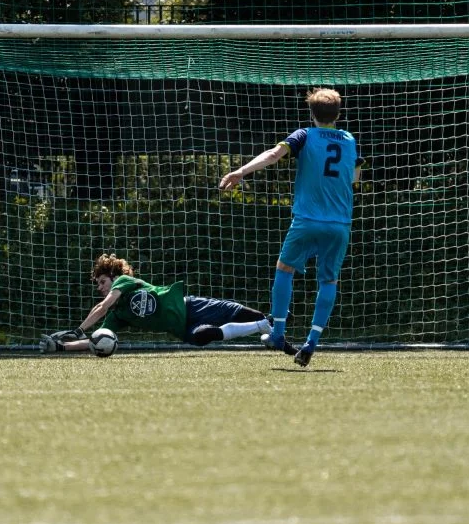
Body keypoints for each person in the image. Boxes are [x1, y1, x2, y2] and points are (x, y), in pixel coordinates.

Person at [219, 87, 362, 367]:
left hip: (307, 220)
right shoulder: (349, 139)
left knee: (284, 269)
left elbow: (274, 155)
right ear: (338, 114)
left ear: (311, 114)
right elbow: (355, 175)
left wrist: (240, 171)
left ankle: (279, 333)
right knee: (329, 281)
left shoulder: (304, 135)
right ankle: (312, 342)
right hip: (340, 223)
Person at [40, 253, 280, 353]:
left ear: (113, 277)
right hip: (181, 328)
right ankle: (264, 327)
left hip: (190, 305)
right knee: (203, 337)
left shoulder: (124, 281)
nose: (100, 288)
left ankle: (277, 334)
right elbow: (95, 341)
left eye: (102, 282)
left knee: (249, 313)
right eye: (99, 285)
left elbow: (100, 307)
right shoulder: (117, 316)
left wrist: (78, 329)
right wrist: (62, 347)